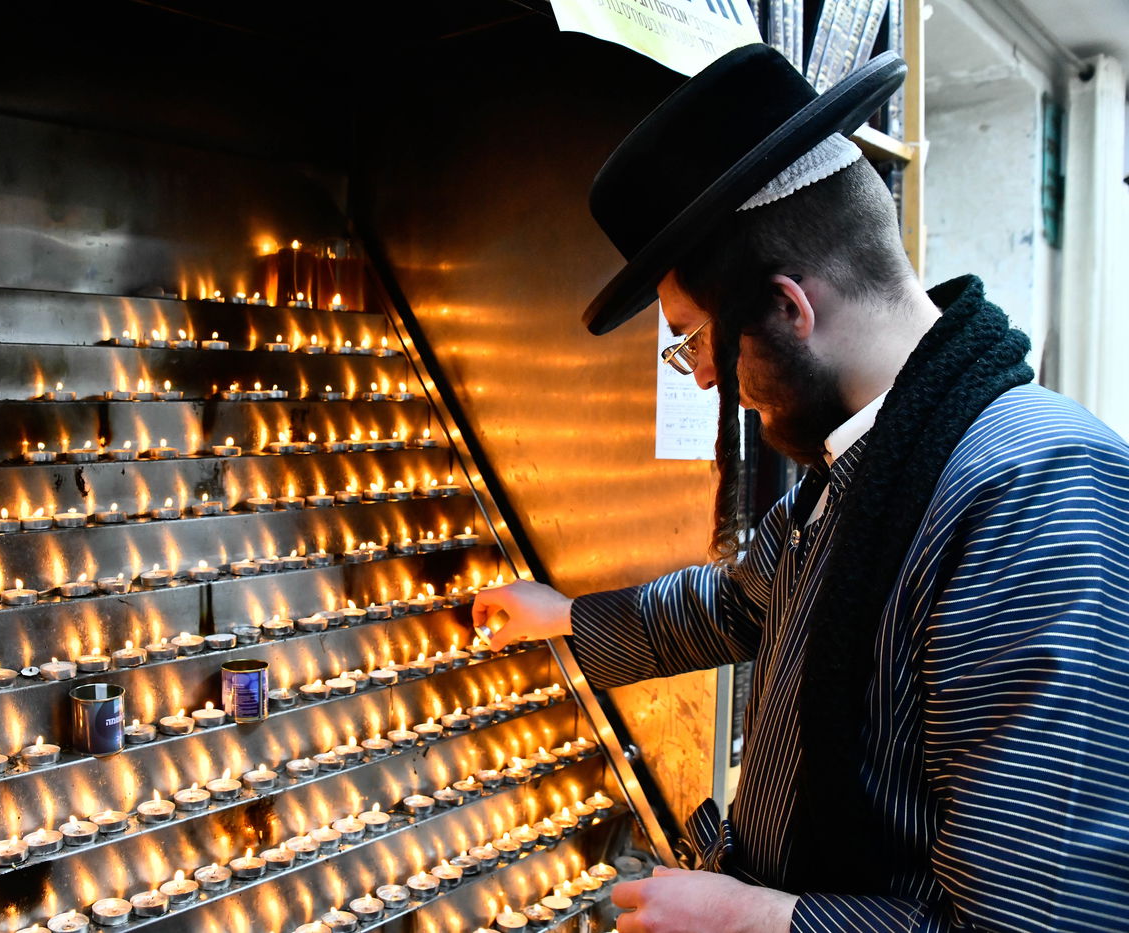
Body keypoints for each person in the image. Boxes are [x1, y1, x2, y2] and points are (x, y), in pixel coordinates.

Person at [472, 43, 1129, 933]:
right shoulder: (863, 461)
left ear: (789, 307)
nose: (702, 379)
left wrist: (757, 919)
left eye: (695, 339)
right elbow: (745, 603)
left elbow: (1040, 923)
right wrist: (561, 616)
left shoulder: (1032, 491)